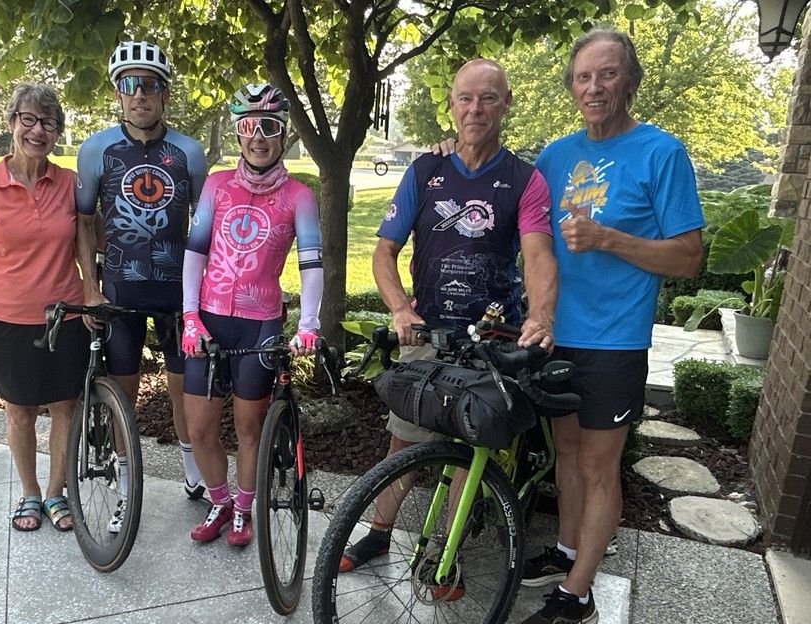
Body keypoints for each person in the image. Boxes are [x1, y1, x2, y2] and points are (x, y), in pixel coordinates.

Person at [516, 28, 703, 624]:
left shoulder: (661, 153)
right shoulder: (555, 155)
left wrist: (607, 240)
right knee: (565, 456)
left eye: (608, 74)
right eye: (582, 77)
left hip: (613, 340)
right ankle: (568, 550)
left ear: (631, 81)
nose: (594, 87)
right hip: (555, 332)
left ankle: (580, 595)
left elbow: (688, 260)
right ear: (572, 86)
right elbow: (515, 207)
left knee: (600, 468)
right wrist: (447, 149)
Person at [339, 59, 557, 589]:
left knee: (469, 449)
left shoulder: (525, 180)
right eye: (465, 98)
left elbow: (537, 254)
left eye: (487, 98)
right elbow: (385, 251)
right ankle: (378, 532)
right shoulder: (423, 172)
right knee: (404, 443)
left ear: (505, 103)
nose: (475, 109)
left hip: (489, 335)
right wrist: (399, 308)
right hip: (429, 328)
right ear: (453, 104)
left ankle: (445, 552)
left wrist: (540, 317)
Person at [180, 84, 323, 547]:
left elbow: (311, 264)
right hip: (209, 318)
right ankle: (219, 502)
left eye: (269, 127)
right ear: (237, 134)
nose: (258, 137)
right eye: (248, 127)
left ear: (283, 135)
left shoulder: (300, 195)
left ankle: (244, 509)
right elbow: (195, 251)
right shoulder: (217, 185)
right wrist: (189, 317)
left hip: (259, 322)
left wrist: (307, 324)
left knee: (248, 427)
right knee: (200, 428)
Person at [75, 41, 208, 528]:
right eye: (130, 85)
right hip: (122, 293)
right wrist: (90, 286)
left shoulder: (189, 152)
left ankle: (196, 475)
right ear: (118, 92)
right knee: (123, 394)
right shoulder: (97, 149)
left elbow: (205, 223)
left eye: (150, 84)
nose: (140, 95)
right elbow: (83, 221)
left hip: (176, 294)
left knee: (184, 392)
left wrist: (204, 289)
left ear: (165, 93)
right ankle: (124, 490)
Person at [0, 83, 91, 532]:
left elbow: (84, 244)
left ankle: (57, 493)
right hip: (6, 316)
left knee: (64, 407)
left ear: (57, 132)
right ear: (12, 122)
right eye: (29, 120)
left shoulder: (70, 183)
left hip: (65, 315)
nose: (38, 131)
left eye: (49, 123)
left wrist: (92, 293)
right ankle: (30, 494)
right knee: (19, 409)